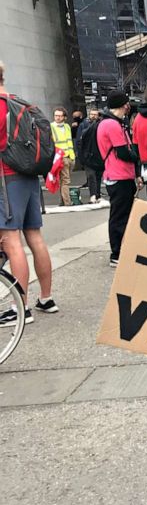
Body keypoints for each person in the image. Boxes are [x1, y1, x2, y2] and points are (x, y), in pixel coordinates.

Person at [0, 63, 57, 325]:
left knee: (11, 241)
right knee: (34, 235)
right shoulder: (18, 102)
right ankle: (46, 298)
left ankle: (19, 307)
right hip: (29, 176)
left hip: (5, 178)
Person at [95, 90, 138, 268]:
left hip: (118, 174)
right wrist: (136, 156)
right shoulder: (112, 125)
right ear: (123, 104)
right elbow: (123, 152)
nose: (129, 106)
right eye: (127, 103)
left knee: (121, 214)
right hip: (119, 175)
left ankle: (120, 250)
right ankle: (117, 253)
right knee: (120, 216)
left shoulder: (111, 123)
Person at [50, 106, 76, 206]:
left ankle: (62, 201)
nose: (57, 118)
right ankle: (67, 202)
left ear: (64, 117)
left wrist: (72, 156)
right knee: (66, 180)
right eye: (56, 115)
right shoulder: (51, 127)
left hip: (70, 156)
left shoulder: (67, 127)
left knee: (63, 180)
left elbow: (69, 141)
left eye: (60, 116)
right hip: (60, 157)